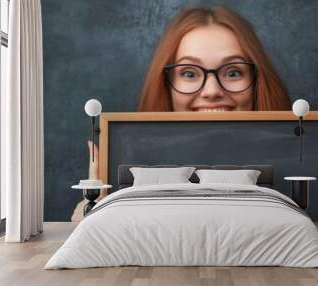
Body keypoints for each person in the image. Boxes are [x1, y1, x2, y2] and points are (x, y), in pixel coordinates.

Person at [71, 5, 291, 221]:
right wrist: (92, 210)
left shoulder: (295, 164)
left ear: (257, 81)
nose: (211, 91)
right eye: (189, 73)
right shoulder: (129, 164)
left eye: (233, 72)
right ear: (166, 85)